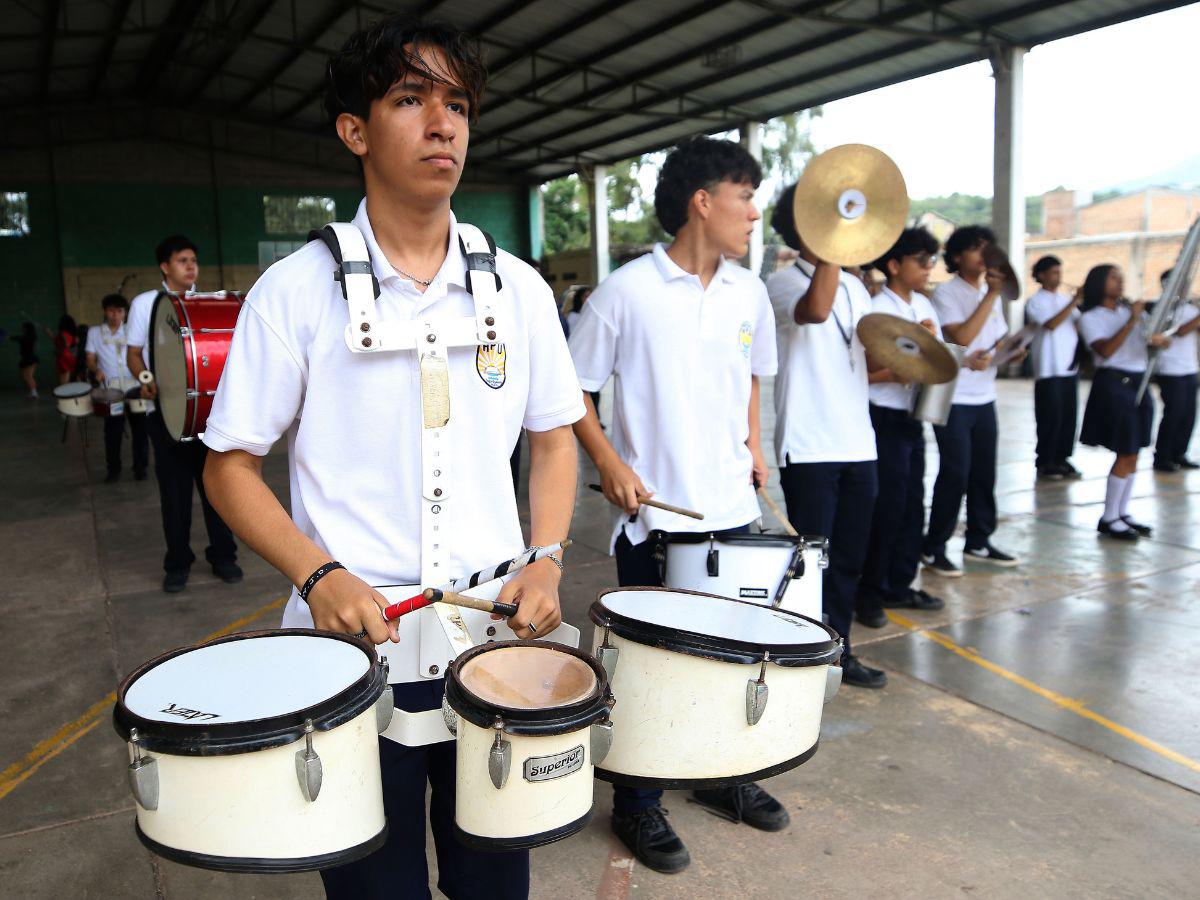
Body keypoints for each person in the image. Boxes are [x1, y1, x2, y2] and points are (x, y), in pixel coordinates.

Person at [201, 17, 582, 899]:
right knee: (378, 889)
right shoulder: (294, 294)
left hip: (492, 645)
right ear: (355, 130)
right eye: (410, 99)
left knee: (496, 885)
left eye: (457, 104)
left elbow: (555, 434)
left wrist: (548, 556)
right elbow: (228, 465)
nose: (442, 124)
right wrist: (317, 575)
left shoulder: (517, 290)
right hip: (353, 654)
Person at [569, 136, 781, 875]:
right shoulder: (625, 292)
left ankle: (725, 775)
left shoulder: (749, 292)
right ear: (703, 200)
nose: (754, 213)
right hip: (657, 517)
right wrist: (609, 462)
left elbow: (753, 376)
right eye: (744, 196)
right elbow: (574, 393)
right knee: (653, 668)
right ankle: (639, 802)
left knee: (731, 658)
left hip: (733, 510)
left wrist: (754, 447)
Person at [767, 182, 885, 689]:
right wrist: (834, 251)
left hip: (859, 442)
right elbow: (815, 311)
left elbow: (869, 359)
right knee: (813, 560)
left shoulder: (858, 288)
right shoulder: (779, 283)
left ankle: (840, 652)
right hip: (809, 444)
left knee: (850, 559)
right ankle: (808, 651)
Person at [126, 236, 240, 593]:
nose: (191, 266)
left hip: (206, 415)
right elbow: (134, 354)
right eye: (182, 261)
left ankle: (224, 556)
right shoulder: (147, 304)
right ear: (165, 266)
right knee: (174, 495)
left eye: (193, 260)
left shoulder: (204, 303)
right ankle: (177, 562)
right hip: (165, 414)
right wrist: (145, 379)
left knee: (216, 489)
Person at [857, 227, 946, 630]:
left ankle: (900, 582)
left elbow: (938, 363)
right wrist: (899, 371)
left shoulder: (924, 305)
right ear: (894, 265)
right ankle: (869, 592)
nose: (929, 268)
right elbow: (863, 374)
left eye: (931, 260)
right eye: (921, 260)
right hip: (883, 418)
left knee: (913, 503)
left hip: (913, 417)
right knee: (886, 509)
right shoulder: (877, 309)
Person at [921, 225, 1021, 577]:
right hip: (954, 398)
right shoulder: (947, 294)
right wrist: (992, 296)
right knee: (955, 472)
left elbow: (993, 342)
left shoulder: (987, 296)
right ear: (959, 256)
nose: (984, 256)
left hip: (984, 397)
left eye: (987, 248)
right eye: (977, 249)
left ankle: (979, 539)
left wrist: (1008, 353)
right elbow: (959, 336)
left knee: (983, 472)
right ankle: (934, 546)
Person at [1078, 264, 1169, 539]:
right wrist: (1131, 320)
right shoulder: (1091, 317)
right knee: (1125, 450)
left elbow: (1145, 344)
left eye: (1121, 278)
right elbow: (1104, 350)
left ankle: (1121, 512)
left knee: (1135, 450)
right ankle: (1109, 517)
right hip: (1115, 383)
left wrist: (1158, 340)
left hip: (1138, 380)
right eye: (1113, 278)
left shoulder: (1129, 313)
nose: (1120, 283)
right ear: (1099, 283)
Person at [1026, 255, 1083, 480]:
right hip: (1049, 368)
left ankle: (1062, 457)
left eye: (1060, 272)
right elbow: (1050, 324)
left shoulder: (1064, 299)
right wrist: (1073, 302)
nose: (1058, 277)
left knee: (1068, 416)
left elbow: (1078, 323)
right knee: (1051, 416)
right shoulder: (1035, 301)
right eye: (1053, 273)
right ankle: (1046, 460)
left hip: (1069, 367)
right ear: (1041, 275)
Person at [86, 294, 149, 483]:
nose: (115, 315)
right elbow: (90, 357)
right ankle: (113, 469)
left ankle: (140, 468)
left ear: (125, 313)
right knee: (112, 432)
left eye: (120, 311)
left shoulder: (132, 330)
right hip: (111, 391)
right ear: (105, 311)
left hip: (135, 387)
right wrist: (96, 370)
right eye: (111, 311)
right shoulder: (94, 333)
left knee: (140, 430)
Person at [1152, 268, 1200, 472]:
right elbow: (1179, 331)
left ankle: (1180, 453)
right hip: (1170, 370)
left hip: (1189, 367)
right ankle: (1163, 456)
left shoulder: (1190, 309)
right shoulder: (1161, 308)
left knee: (1189, 414)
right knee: (1174, 412)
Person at [46, 314, 78, 385]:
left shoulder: (63, 333)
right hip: (68, 356)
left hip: (63, 357)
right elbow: (58, 341)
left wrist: (59, 351)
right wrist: (49, 333)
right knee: (66, 377)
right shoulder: (71, 333)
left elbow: (64, 344)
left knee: (63, 380)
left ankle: (64, 394)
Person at [11, 322, 38, 398]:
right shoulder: (31, 336)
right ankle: (33, 391)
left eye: (23, 327)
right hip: (28, 359)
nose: (22, 329)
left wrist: (9, 337)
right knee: (26, 376)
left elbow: (19, 338)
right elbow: (19, 338)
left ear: (26, 329)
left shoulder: (27, 337)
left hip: (30, 359)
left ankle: (34, 392)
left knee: (28, 376)